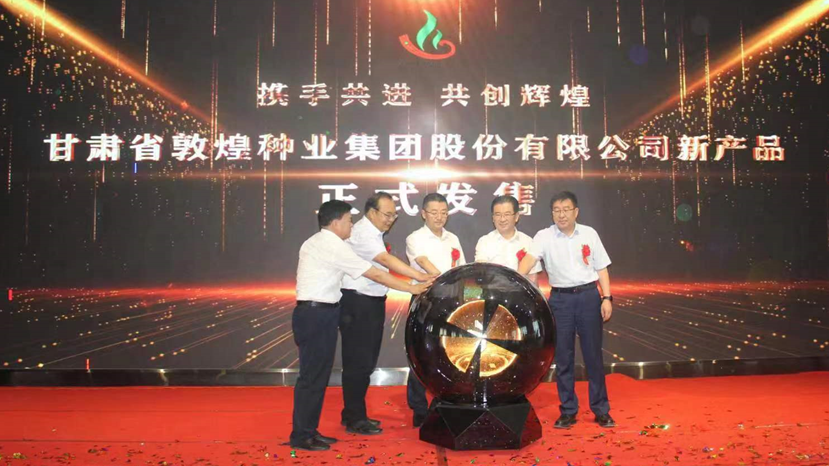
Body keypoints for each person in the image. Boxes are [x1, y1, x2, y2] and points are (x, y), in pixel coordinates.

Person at [290, 200, 430, 451]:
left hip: (321, 312)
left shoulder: (322, 242)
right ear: (336, 223)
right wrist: (413, 287)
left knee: (317, 375)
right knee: (312, 377)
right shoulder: (333, 245)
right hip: (316, 314)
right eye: (348, 220)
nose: (351, 226)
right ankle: (302, 435)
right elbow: (375, 272)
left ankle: (308, 431)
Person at [339, 192, 436, 435]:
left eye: (394, 215)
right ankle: (355, 418)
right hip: (358, 303)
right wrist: (417, 278)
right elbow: (385, 262)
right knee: (359, 362)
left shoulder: (373, 234)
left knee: (364, 362)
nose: (391, 219)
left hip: (370, 302)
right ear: (372, 212)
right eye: (387, 214)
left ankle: (353, 413)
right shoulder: (362, 233)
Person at [517, 191, 616, 429]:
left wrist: (607, 298)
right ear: (552, 213)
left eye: (566, 210)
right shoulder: (543, 236)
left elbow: (601, 268)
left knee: (593, 356)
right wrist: (515, 277)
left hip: (589, 297)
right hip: (560, 300)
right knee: (563, 358)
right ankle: (568, 410)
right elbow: (528, 261)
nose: (561, 215)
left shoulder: (589, 234)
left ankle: (601, 409)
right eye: (557, 210)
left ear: (576, 212)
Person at [404, 193, 466, 427]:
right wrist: (447, 280)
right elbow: (424, 264)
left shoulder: (453, 238)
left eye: (443, 212)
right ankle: (418, 408)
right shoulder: (415, 238)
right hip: (425, 301)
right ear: (423, 214)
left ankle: (444, 403)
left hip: (450, 303)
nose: (439, 217)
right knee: (420, 354)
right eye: (434, 212)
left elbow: (461, 269)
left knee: (448, 355)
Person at [474, 195, 541, 277]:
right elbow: (481, 274)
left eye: (507, 214)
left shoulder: (528, 242)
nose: (502, 219)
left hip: (521, 286)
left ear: (516, 217)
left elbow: (532, 278)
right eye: (498, 214)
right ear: (493, 218)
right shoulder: (484, 242)